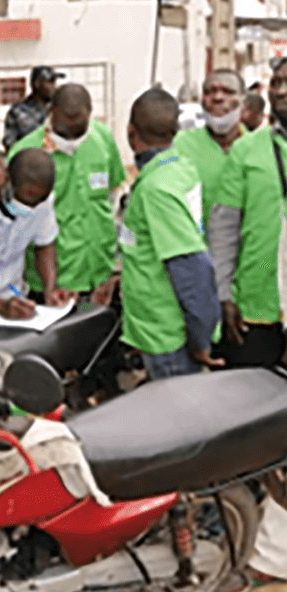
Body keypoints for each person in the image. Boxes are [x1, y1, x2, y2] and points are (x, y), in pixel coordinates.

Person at [119, 88, 223, 380]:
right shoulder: (176, 165)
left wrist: (200, 339)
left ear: (130, 133)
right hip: (157, 327)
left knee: (179, 421)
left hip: (168, 337)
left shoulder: (157, 189)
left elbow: (194, 268)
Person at [8, 83, 126, 304]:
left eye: (78, 132)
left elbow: (113, 195)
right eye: (64, 132)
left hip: (102, 276)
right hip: (54, 284)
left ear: (90, 114)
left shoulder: (103, 140)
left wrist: (114, 268)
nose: (71, 140)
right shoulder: (26, 154)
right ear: (50, 112)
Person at [208, 56, 287, 368]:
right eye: (277, 83)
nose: (280, 91)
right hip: (256, 308)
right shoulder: (247, 150)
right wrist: (223, 295)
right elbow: (223, 229)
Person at [0, 148, 71, 321]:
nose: (29, 208)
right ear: (7, 182)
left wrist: (50, 290)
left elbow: (44, 244)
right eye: (25, 199)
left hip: (15, 299)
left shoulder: (42, 200)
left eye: (37, 202)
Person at [172, 69, 246, 232]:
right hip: (196, 251)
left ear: (243, 100)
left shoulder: (260, 147)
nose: (218, 98)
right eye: (209, 92)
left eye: (228, 92)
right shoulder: (180, 144)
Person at [2, 65, 63, 151]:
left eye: (54, 83)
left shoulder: (58, 109)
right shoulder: (17, 112)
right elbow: (10, 145)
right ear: (37, 84)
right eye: (50, 82)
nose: (54, 87)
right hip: (29, 161)